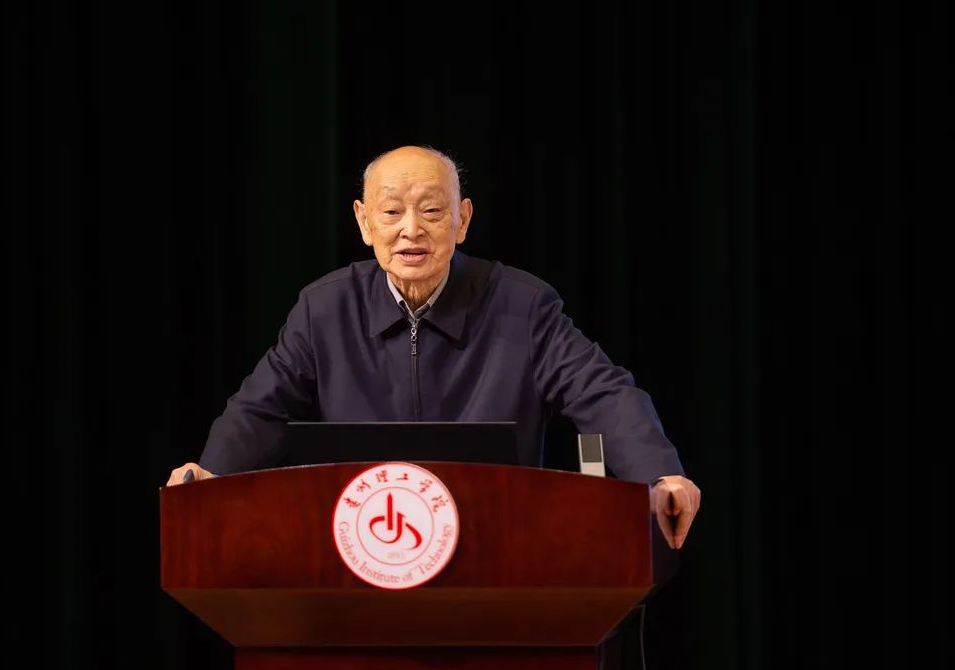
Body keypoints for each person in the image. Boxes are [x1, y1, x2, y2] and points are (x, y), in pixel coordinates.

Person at [167, 145, 700, 549]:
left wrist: (659, 473)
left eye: (432, 211)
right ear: (363, 222)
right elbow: (262, 406)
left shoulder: (522, 305)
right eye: (392, 212)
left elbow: (601, 391)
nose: (411, 231)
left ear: (462, 220)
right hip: (362, 549)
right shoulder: (324, 308)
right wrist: (212, 474)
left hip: (498, 543)